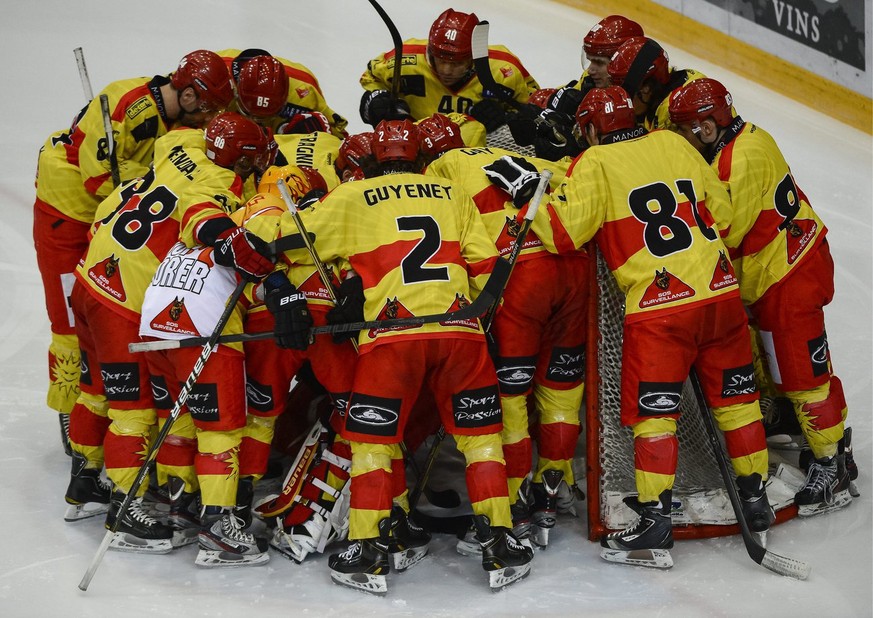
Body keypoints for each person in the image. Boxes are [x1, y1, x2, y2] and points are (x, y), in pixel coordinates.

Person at [484, 86, 773, 569]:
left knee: (655, 417)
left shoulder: (594, 162)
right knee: (739, 403)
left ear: (593, 129)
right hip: (720, 295)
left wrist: (528, 193)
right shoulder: (676, 142)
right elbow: (721, 215)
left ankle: (654, 523)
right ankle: (755, 496)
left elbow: (562, 235)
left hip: (661, 309)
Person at [277, 119, 534, 593]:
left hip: (390, 337)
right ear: (419, 157)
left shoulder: (354, 196)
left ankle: (370, 550)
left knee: (374, 444)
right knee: (480, 440)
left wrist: (346, 276)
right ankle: (499, 542)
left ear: (375, 157)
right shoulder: (449, 192)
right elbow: (484, 265)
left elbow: (292, 244)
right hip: (461, 332)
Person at [73, 112, 277, 562]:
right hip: (126, 297)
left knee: (96, 389)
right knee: (136, 409)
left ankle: (85, 481)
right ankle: (124, 509)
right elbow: (205, 223)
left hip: (92, 272)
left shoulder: (180, 141)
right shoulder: (220, 183)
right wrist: (234, 242)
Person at [668, 78, 855, 515]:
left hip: (787, 275)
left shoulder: (741, 158)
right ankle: (827, 441)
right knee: (793, 369)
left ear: (707, 127)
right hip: (784, 266)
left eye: (684, 130)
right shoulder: (743, 137)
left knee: (803, 377)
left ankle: (834, 470)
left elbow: (725, 232)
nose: (681, 139)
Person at [34, 50, 234, 458]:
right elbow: (96, 179)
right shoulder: (125, 104)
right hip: (65, 215)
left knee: (103, 318)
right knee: (70, 325)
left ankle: (103, 414)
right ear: (191, 95)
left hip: (106, 221)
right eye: (209, 108)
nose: (209, 118)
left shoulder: (174, 115)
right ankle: (71, 413)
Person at [420, 113, 586, 549]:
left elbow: (444, 234)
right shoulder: (512, 153)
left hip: (518, 277)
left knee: (512, 397)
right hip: (574, 267)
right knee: (562, 389)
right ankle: (555, 486)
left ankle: (515, 501)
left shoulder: (439, 169)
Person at [358, 8, 539, 140]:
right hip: (413, 145)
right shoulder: (403, 60)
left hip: (478, 152)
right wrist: (376, 100)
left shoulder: (504, 70)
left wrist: (507, 119)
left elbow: (536, 104)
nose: (446, 70)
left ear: (473, 57)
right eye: (441, 60)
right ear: (430, 51)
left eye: (457, 63)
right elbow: (371, 78)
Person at [506, 14, 644, 159]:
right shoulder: (591, 80)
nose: (591, 70)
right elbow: (557, 99)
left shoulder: (647, 100)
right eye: (591, 61)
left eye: (599, 62)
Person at [218, 48, 349, 138]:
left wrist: (319, 131)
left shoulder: (305, 91)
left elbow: (338, 136)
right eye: (247, 113)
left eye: (263, 118)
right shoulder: (215, 76)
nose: (255, 125)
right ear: (236, 92)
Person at [607, 36, 705, 132]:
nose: (622, 102)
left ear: (646, 88)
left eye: (625, 93)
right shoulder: (666, 81)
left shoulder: (673, 114)